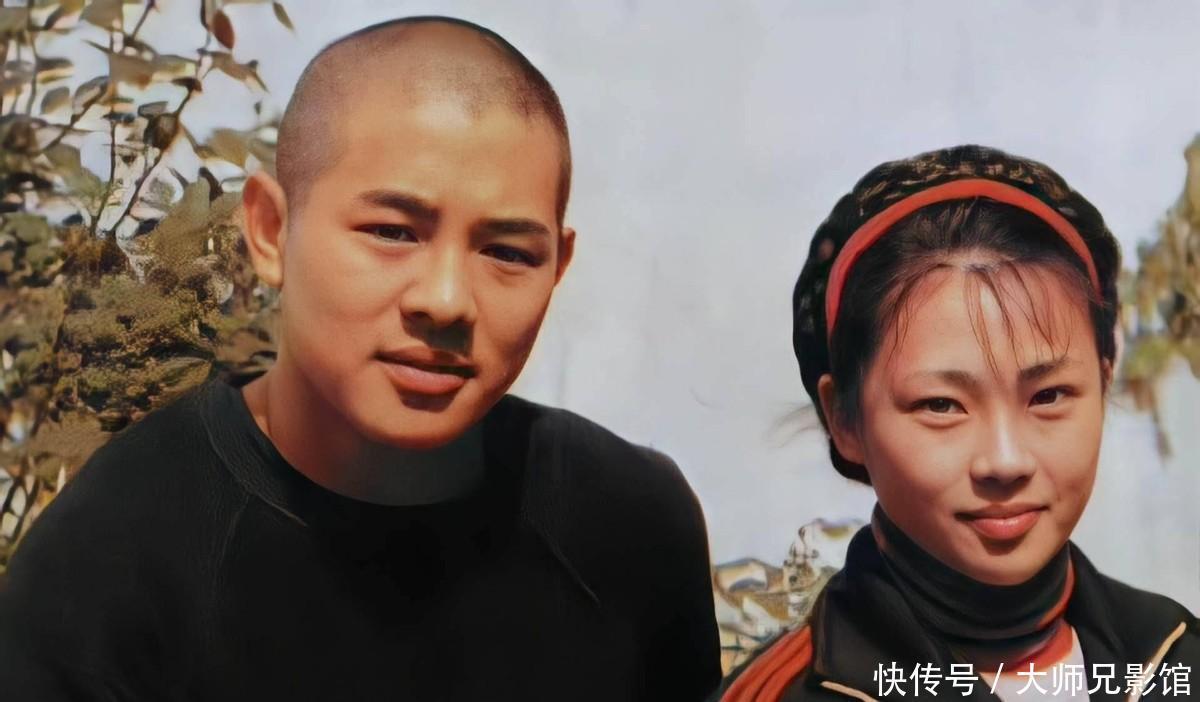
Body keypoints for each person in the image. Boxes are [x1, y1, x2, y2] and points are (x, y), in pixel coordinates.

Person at [0, 17, 721, 701]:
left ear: (558, 266)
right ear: (271, 231)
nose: (447, 301)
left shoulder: (630, 525)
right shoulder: (116, 556)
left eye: (507, 252)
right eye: (393, 232)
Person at [716, 145, 1199, 701]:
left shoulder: (1176, 655)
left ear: (1105, 380)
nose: (1006, 461)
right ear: (843, 417)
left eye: (1048, 396)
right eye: (942, 405)